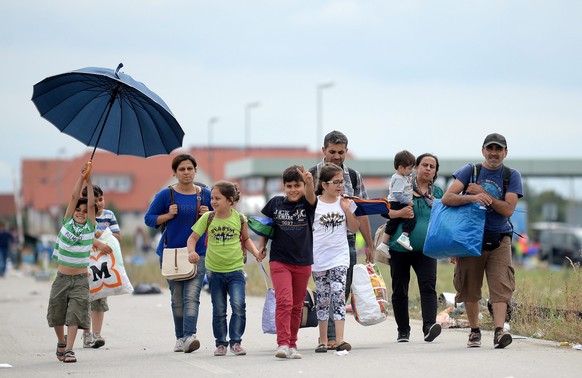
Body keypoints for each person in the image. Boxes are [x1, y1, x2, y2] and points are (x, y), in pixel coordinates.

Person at [442, 133, 523, 349]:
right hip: (470, 239)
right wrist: (472, 196)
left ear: (506, 152)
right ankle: (474, 331)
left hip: (500, 238)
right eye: (490, 149)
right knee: (469, 286)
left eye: (499, 149)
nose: (494, 153)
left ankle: (499, 331)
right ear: (483, 151)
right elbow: (447, 198)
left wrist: (483, 193)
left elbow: (507, 210)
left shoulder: (511, 175)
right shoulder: (470, 171)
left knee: (501, 286)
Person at [308, 130, 372, 349]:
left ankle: (335, 337)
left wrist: (370, 244)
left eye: (341, 152)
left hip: (346, 242)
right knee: (325, 293)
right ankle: (326, 338)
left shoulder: (353, 177)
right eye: (332, 151)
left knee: (341, 289)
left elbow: (361, 213)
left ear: (346, 151)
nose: (336, 156)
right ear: (324, 150)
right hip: (319, 245)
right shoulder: (311, 175)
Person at [187, 181, 266, 357]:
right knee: (219, 309)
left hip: (236, 270)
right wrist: (192, 252)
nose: (213, 201)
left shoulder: (240, 218)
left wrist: (255, 252)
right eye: (212, 198)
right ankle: (221, 343)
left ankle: (236, 342)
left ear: (230, 200)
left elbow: (246, 239)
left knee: (239, 306)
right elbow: (192, 238)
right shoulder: (207, 218)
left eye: (218, 198)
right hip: (214, 272)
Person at [144, 154, 212, 353]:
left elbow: (221, 216)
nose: (186, 172)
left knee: (192, 296)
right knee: (177, 299)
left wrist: (208, 214)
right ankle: (180, 337)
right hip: (170, 253)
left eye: (190, 168)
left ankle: (190, 336)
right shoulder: (166, 195)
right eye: (181, 169)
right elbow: (149, 219)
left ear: (195, 171)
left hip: (198, 253)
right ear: (174, 173)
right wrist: (167, 215)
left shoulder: (205, 194)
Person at [259, 165, 316, 359]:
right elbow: (265, 227)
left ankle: (293, 344)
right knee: (284, 301)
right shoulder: (275, 203)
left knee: (297, 305)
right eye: (289, 186)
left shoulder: (307, 205)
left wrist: (309, 183)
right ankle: (282, 343)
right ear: (284, 186)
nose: (293, 190)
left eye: (297, 185)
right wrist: (262, 247)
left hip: (303, 261)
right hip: (279, 260)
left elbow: (311, 196)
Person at [388, 153, 443, 343]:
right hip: (399, 248)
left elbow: (443, 220)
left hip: (427, 249)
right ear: (416, 167)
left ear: (435, 172)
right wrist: (400, 212)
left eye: (432, 166)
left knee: (428, 287)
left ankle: (429, 327)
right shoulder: (403, 186)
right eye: (424, 165)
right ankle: (403, 330)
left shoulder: (438, 193)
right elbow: (386, 211)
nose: (428, 169)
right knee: (399, 290)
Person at [47, 164, 96, 363]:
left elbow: (91, 205)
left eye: (85, 211)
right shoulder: (67, 221)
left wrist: (90, 182)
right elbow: (74, 197)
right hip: (61, 278)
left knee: (75, 314)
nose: (82, 212)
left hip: (80, 280)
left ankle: (69, 349)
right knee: (57, 312)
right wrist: (81, 178)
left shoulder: (90, 228)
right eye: (79, 210)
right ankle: (61, 341)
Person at [312, 163, 359, 353]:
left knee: (339, 294)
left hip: (339, 256)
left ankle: (340, 340)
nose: (340, 185)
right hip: (318, 258)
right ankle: (323, 340)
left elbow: (354, 228)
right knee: (323, 297)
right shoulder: (314, 204)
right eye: (335, 182)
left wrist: (347, 209)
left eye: (341, 181)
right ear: (324, 184)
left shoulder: (346, 201)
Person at [80, 185, 120, 349]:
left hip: (102, 263)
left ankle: (97, 334)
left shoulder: (109, 215)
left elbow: (118, 235)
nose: (99, 204)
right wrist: (94, 238)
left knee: (100, 297)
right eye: (94, 201)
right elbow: (79, 236)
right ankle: (86, 334)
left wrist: (102, 234)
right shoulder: (81, 215)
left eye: (101, 199)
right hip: (84, 262)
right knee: (83, 300)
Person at [376, 150, 417, 257]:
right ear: (400, 167)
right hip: (398, 202)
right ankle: (404, 236)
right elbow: (398, 194)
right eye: (409, 168)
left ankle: (384, 244)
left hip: (395, 202)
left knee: (392, 223)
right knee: (411, 217)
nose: (411, 170)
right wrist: (408, 202)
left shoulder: (401, 176)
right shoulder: (399, 179)